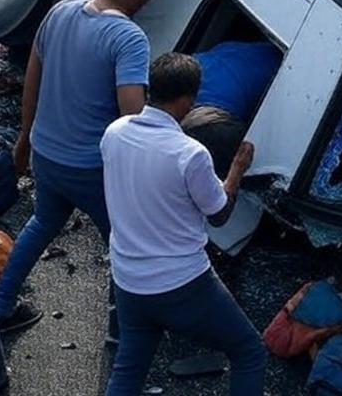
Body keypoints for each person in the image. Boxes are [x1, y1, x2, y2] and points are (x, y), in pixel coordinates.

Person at [0, 0, 164, 335]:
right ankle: (124, 329)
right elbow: (131, 115)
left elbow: (32, 78)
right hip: (92, 167)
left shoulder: (61, 10)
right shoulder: (129, 38)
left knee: (42, 222)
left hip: (48, 153)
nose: (147, 4)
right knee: (123, 245)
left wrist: (24, 137)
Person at [101, 52, 265, 396]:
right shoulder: (189, 154)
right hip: (183, 283)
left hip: (129, 280)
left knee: (129, 370)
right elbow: (219, 214)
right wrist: (236, 170)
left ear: (150, 89)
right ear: (190, 99)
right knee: (249, 351)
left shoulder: (114, 133)